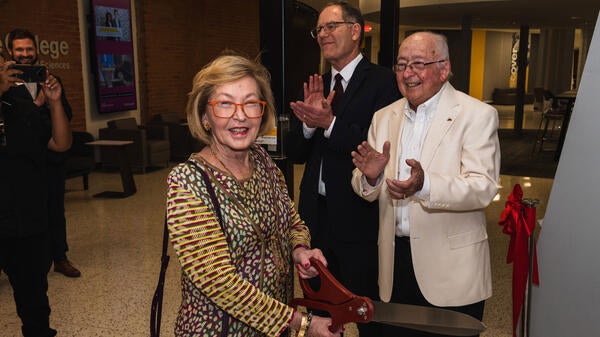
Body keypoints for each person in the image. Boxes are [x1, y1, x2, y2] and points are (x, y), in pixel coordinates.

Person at [165, 53, 341, 337]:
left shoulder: (262, 160)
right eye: (224, 104)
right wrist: (303, 324)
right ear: (204, 116)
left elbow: (291, 220)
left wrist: (300, 250)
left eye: (250, 103)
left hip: (274, 325)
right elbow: (219, 282)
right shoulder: (187, 182)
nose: (240, 115)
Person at [351, 31, 500, 337]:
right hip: (394, 267)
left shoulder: (476, 115)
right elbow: (363, 184)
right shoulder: (383, 117)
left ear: (444, 69)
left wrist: (424, 185)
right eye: (401, 64)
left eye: (418, 63)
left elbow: (482, 186)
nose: (407, 73)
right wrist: (371, 177)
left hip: (451, 269)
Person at [288, 2, 399, 335]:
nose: (323, 35)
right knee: (321, 316)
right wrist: (308, 125)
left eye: (330, 26)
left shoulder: (383, 83)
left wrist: (330, 123)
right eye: (318, 29)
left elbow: (377, 149)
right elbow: (296, 152)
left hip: (357, 219)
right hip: (314, 218)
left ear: (355, 31)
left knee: (366, 313)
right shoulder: (316, 83)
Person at [0, 28, 72, 337]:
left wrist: (54, 102)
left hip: (27, 216)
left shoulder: (23, 98)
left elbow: (60, 143)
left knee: (33, 300)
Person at [4, 28, 80, 278]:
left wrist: (50, 102)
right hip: (18, 164)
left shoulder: (48, 78)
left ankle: (59, 257)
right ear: (9, 52)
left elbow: (65, 118)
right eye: (19, 50)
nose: (25, 55)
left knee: (54, 210)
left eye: (29, 49)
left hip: (50, 160)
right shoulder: (5, 86)